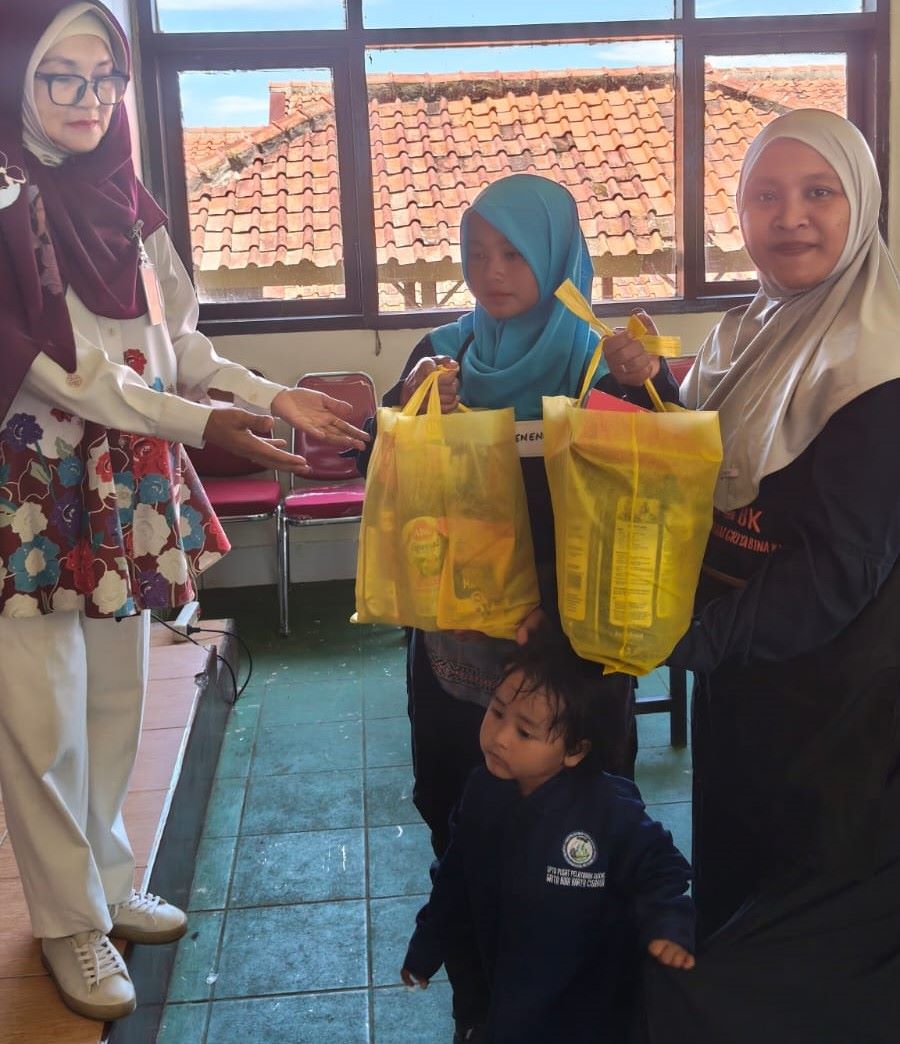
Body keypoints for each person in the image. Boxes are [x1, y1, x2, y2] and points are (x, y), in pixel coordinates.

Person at [0, 0, 368, 1023]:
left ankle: (110, 882)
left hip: (126, 477)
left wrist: (269, 394)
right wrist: (203, 425)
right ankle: (68, 920)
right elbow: (71, 373)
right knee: (40, 719)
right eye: (59, 76)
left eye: (104, 77)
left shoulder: (125, 198)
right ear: (14, 78)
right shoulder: (6, 202)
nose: (90, 99)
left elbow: (173, 346)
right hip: (32, 492)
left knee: (116, 694)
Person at [604, 108, 900, 1042]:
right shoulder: (750, 328)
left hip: (836, 704)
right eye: (766, 195)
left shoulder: (878, 361)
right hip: (744, 676)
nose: (791, 217)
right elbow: (703, 455)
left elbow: (839, 571)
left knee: (801, 935)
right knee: (733, 871)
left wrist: (694, 639)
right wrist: (643, 386)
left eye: (820, 193)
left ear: (863, 205)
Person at [363, 173, 644, 1040]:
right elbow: (386, 468)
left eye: (515, 253)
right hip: (457, 654)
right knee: (463, 821)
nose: (491, 272)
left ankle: (587, 1010)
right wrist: (413, 408)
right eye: (477, 252)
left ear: (559, 257)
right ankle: (479, 1007)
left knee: (583, 834)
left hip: (572, 648)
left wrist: (649, 384)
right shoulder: (443, 354)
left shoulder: (599, 360)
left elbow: (641, 490)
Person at [400, 638, 695, 1044]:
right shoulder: (482, 793)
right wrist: (426, 947)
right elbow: (455, 878)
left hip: (591, 1006)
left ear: (574, 750)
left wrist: (670, 926)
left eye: (525, 731)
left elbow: (661, 870)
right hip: (508, 987)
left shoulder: (609, 811)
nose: (500, 737)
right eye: (497, 711)